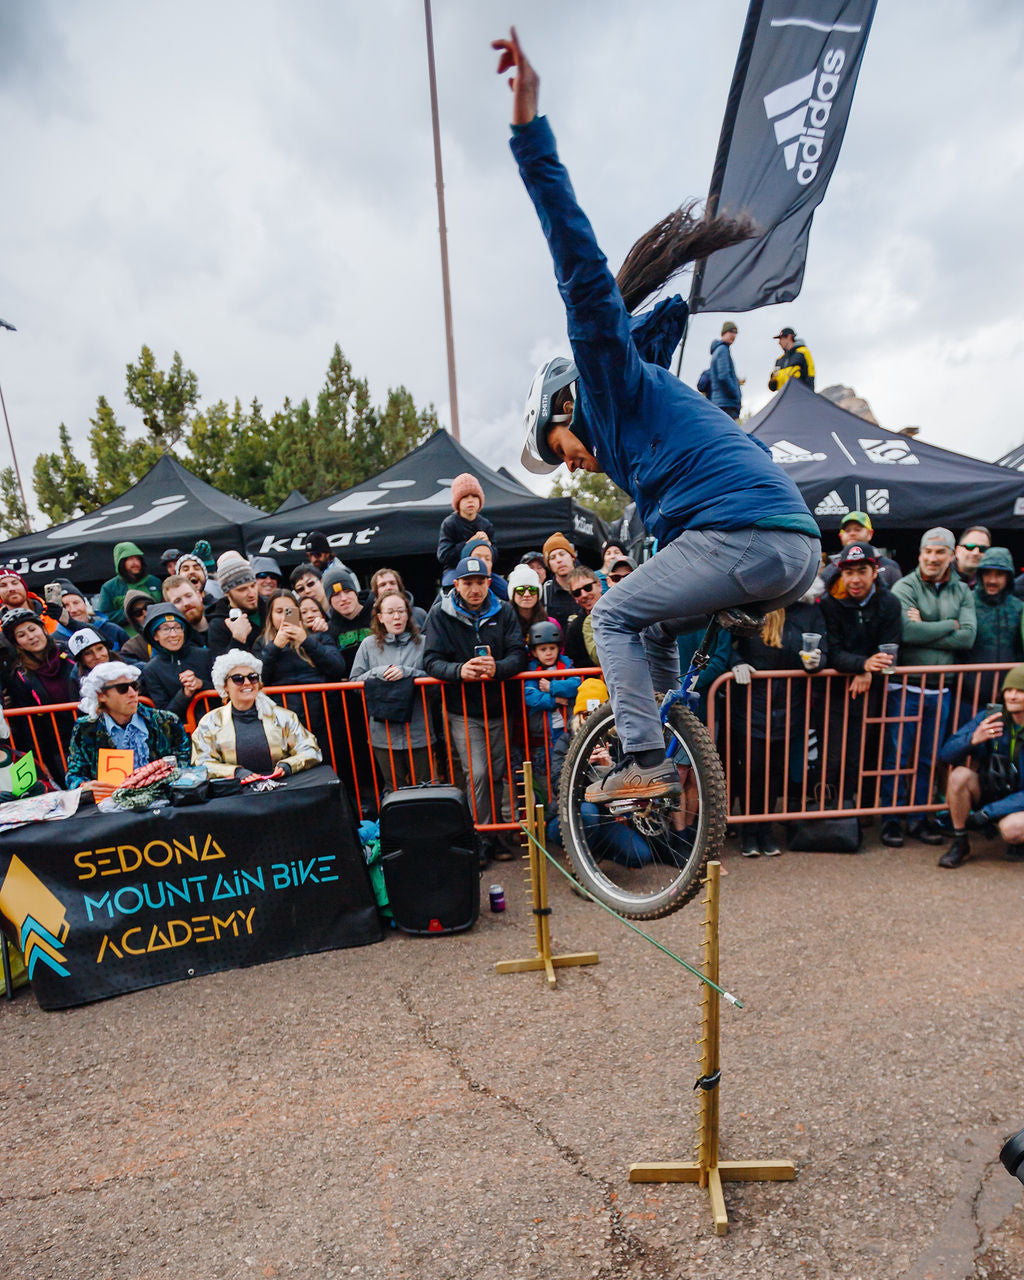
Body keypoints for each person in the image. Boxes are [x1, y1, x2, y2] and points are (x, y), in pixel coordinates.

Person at [495, 26, 819, 804]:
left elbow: (580, 269)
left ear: (565, 404)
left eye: (557, 444)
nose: (569, 460)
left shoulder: (609, 384)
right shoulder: (641, 442)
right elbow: (670, 542)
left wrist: (529, 133)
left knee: (609, 618)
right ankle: (669, 738)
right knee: (650, 621)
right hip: (787, 547)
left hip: (749, 537)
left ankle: (643, 759)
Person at [423, 554, 527, 863]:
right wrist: (459, 671)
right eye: (468, 583)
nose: (475, 589)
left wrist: (498, 667)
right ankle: (477, 837)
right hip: (463, 711)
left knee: (495, 774)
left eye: (480, 582)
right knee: (477, 773)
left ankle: (494, 835)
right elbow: (430, 661)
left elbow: (518, 655)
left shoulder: (505, 611)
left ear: (487, 583)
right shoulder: (440, 614)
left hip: (499, 708)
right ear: (457, 584)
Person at [882, 528, 977, 847]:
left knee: (928, 759)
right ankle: (891, 819)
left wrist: (928, 626)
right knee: (897, 756)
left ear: (952, 555)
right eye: (928, 552)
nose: (933, 558)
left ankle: (919, 818)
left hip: (942, 689)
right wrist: (949, 624)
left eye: (940, 552)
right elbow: (906, 632)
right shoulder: (904, 586)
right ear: (920, 554)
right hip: (905, 687)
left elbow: (968, 636)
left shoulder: (962, 590)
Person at [729, 600, 826, 856]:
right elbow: (726, 643)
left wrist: (816, 661)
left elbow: (822, 650)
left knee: (774, 773)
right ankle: (749, 833)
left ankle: (766, 831)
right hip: (751, 705)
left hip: (789, 707)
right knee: (752, 770)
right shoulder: (753, 606)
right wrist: (735, 662)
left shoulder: (808, 612)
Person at [819, 543, 902, 806]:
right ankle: (829, 810)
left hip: (872, 691)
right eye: (849, 572)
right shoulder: (830, 604)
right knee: (832, 754)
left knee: (867, 751)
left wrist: (867, 670)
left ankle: (861, 812)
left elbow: (889, 651)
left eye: (862, 571)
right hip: (835, 692)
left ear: (875, 571)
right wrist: (863, 665)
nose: (855, 579)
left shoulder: (889, 603)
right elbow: (832, 652)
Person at [937, 665, 1024, 868]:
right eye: (1009, 690)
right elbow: (946, 754)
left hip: (1019, 797)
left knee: (1012, 829)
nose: (1012, 696)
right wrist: (973, 739)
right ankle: (960, 842)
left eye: (1020, 691)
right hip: (995, 788)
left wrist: (988, 813)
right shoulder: (991, 716)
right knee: (959, 776)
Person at [349, 591, 436, 789]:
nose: (396, 617)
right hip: (383, 732)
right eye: (390, 612)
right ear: (380, 617)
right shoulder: (368, 645)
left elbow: (435, 679)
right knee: (393, 787)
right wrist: (379, 673)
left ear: (408, 614)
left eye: (401, 611)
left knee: (425, 786)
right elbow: (354, 682)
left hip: (418, 729)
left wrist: (408, 673)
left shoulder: (423, 643)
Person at [191, 650, 322, 779]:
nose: (247, 682)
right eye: (238, 679)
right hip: (235, 794)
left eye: (252, 677)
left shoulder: (284, 717)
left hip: (282, 789)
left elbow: (311, 750)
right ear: (225, 686)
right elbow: (201, 762)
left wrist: (287, 766)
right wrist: (235, 773)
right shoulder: (209, 722)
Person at [65, 660, 192, 790]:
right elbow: (74, 775)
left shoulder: (166, 721)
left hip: (163, 798)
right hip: (111, 803)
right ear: (101, 695)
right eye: (122, 688)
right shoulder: (85, 728)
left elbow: (184, 765)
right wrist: (85, 786)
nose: (132, 693)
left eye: (135, 686)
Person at [257, 590, 347, 687]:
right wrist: (275, 647)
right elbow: (258, 678)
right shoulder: (262, 642)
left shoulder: (319, 636)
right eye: (279, 612)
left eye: (289, 611)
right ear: (270, 616)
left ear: (298, 613)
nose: (284, 617)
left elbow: (337, 668)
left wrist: (306, 641)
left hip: (319, 699)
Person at [139, 603, 213, 719]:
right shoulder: (151, 670)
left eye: (177, 627)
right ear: (155, 636)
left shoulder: (205, 655)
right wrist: (185, 694)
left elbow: (226, 690)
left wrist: (201, 684)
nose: (173, 634)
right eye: (166, 629)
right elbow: (164, 714)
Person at [523, 619, 580, 747]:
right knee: (544, 763)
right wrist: (556, 700)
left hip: (566, 728)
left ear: (558, 648)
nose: (548, 653)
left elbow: (576, 684)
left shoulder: (567, 665)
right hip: (543, 733)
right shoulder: (531, 671)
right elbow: (530, 696)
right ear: (534, 652)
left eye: (552, 648)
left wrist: (551, 687)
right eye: (543, 649)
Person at [820, 512, 902, 593]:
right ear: (841, 536)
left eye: (857, 529)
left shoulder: (890, 567)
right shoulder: (830, 570)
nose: (852, 533)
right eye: (847, 530)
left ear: (870, 533)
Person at [206, 554, 266, 657]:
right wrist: (237, 639)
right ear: (227, 592)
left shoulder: (272, 606)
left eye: (253, 585)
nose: (251, 594)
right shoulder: (218, 625)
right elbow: (218, 668)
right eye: (242, 589)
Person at [437, 473, 496, 572]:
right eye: (465, 497)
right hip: (455, 570)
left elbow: (495, 555)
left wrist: (488, 546)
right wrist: (469, 544)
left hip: (483, 571)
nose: (470, 501)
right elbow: (443, 556)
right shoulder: (449, 523)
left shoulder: (486, 525)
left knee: (503, 587)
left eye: (474, 496)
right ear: (457, 502)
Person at [95, 541, 163, 627]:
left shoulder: (154, 581)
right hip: (127, 637)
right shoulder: (109, 588)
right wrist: (132, 612)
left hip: (156, 630)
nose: (136, 563)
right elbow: (104, 616)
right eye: (130, 559)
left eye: (137, 558)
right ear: (120, 562)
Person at [322, 563, 373, 673]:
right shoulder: (329, 629)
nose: (343, 598)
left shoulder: (378, 615)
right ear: (329, 601)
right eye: (336, 595)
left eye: (347, 591)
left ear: (355, 593)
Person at [52, 581, 127, 653]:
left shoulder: (112, 630)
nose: (73, 610)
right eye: (65, 606)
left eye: (76, 603)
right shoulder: (55, 640)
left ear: (85, 604)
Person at [563, 568, 603, 669]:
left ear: (599, 585)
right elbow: (576, 662)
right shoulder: (574, 628)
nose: (584, 594)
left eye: (587, 587)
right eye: (577, 593)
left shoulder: (619, 611)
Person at [541, 532, 578, 629]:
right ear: (549, 565)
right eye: (552, 557)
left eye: (562, 554)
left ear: (572, 557)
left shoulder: (588, 586)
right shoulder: (545, 593)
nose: (559, 560)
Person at [163, 574, 210, 644]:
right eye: (177, 601)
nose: (186, 603)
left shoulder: (225, 622)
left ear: (199, 596)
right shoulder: (176, 645)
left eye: (188, 596)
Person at [709, 321, 742, 420]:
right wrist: (735, 394)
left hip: (721, 402)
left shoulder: (718, 350)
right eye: (731, 332)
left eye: (735, 333)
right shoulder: (723, 350)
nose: (733, 335)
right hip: (726, 403)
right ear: (724, 333)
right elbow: (723, 376)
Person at [507, 563, 548, 637]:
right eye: (520, 590)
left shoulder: (550, 623)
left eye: (532, 590)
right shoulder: (503, 623)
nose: (527, 594)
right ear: (512, 594)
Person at [768, 327, 815, 392]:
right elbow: (774, 382)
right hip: (784, 398)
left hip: (801, 396)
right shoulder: (779, 360)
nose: (779, 342)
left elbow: (810, 375)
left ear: (789, 337)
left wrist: (809, 395)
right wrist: (772, 382)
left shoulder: (803, 352)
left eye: (781, 339)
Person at [119, 590, 160, 661]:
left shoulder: (177, 631)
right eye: (138, 612)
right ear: (133, 620)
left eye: (148, 607)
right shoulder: (130, 648)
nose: (145, 614)